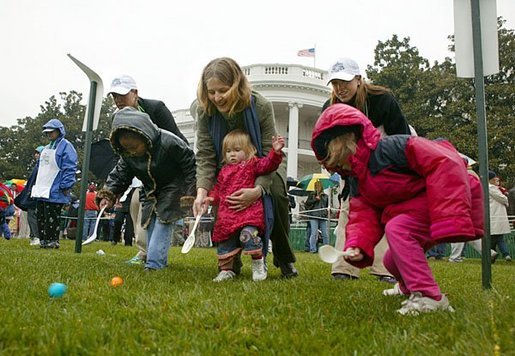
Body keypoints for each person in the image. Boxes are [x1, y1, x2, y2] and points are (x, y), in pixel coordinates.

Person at [311, 103, 484, 315]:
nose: (333, 164)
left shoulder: (390, 148)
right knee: (390, 260)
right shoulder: (357, 178)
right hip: (418, 211)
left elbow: (444, 160)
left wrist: (450, 215)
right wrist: (357, 245)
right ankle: (407, 286)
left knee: (398, 228)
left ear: (345, 142)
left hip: (441, 200)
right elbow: (363, 217)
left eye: (332, 155)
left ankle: (429, 296)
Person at [193, 57, 298, 278]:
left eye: (222, 90)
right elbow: (205, 154)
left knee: (277, 196)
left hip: (264, 164)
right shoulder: (204, 111)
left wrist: (258, 190)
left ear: (236, 85)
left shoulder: (260, 106)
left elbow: (271, 151)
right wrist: (202, 191)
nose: (217, 97)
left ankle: (284, 258)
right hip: (228, 171)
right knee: (222, 202)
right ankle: (230, 261)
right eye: (211, 92)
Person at [323, 57, 411, 283]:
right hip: (351, 169)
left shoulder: (382, 100)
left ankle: (384, 268)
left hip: (384, 164)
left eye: (345, 82)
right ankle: (344, 266)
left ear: (359, 79)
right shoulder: (330, 108)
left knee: (385, 214)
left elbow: (402, 136)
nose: (340, 89)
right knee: (349, 212)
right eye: (335, 84)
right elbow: (325, 141)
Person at [97, 107, 196, 271]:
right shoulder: (128, 155)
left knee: (163, 222)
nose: (132, 152)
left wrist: (190, 191)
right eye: (127, 149)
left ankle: (155, 264)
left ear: (145, 136)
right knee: (149, 223)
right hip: (150, 190)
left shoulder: (169, 142)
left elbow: (190, 164)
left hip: (174, 187)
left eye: (135, 148)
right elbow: (120, 174)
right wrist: (109, 194)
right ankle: (153, 258)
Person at [108, 75, 189, 265]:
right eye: (114, 96)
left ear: (135, 93)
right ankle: (146, 252)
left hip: (169, 171)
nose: (118, 100)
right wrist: (113, 190)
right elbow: (124, 155)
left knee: (161, 212)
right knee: (139, 208)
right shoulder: (117, 118)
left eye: (122, 95)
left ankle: (151, 257)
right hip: (144, 172)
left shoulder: (156, 109)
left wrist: (184, 185)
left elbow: (175, 141)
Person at [204, 130, 285, 282]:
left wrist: (275, 152)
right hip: (227, 217)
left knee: (247, 236)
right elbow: (218, 190)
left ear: (248, 150)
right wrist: (210, 198)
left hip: (249, 214)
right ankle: (226, 270)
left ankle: (258, 263)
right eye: (228, 151)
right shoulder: (223, 171)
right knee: (225, 243)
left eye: (237, 150)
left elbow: (267, 165)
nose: (232, 155)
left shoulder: (252, 164)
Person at [30, 119, 78, 249]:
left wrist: (65, 185)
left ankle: (53, 240)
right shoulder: (46, 147)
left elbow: (70, 167)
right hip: (42, 189)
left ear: (59, 131)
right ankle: (43, 240)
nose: (49, 135)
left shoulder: (66, 146)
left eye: (52, 132)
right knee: (41, 216)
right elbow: (40, 167)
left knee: (52, 217)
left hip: (56, 189)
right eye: (47, 132)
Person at [488, 171, 512, 261]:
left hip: (495, 214)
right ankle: (498, 254)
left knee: (497, 237)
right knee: (496, 237)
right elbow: (502, 198)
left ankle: (496, 255)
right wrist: (506, 198)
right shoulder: (491, 188)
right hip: (495, 214)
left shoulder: (491, 187)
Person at [304, 180, 329, 253]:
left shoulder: (325, 196)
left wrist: (326, 213)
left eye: (319, 186)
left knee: (325, 234)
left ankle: (326, 249)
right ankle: (313, 249)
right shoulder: (312, 195)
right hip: (314, 216)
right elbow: (307, 204)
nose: (318, 188)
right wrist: (315, 199)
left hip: (322, 216)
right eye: (316, 186)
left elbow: (326, 206)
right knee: (313, 233)